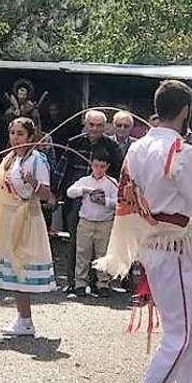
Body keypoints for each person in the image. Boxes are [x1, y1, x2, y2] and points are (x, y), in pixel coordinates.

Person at [96, 80, 192, 383]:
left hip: (155, 243)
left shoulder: (138, 148)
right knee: (181, 333)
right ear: (185, 111)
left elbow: (130, 195)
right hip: (173, 246)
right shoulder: (181, 151)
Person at [0, 117, 56, 336]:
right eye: (12, 133)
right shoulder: (9, 159)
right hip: (9, 217)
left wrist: (32, 182)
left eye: (20, 134)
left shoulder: (37, 160)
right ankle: (23, 318)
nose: (15, 138)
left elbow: (46, 195)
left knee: (21, 267)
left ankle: (26, 320)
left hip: (27, 218)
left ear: (31, 137)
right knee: (14, 270)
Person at [52, 109, 122, 293]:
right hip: (76, 200)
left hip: (103, 203)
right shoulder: (74, 143)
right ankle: (76, 282)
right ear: (85, 124)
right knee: (77, 243)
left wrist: (107, 196)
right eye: (91, 125)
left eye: (99, 125)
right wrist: (55, 193)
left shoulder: (112, 146)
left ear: (105, 127)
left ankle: (100, 283)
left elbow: (120, 173)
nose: (95, 129)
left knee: (101, 246)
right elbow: (61, 169)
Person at [65, 150, 117, 298]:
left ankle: (103, 284)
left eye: (102, 166)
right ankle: (80, 283)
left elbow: (119, 202)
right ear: (91, 165)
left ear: (107, 166)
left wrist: (105, 201)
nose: (98, 169)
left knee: (103, 254)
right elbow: (70, 192)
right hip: (86, 221)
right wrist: (85, 190)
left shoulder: (112, 183)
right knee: (82, 253)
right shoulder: (85, 180)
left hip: (104, 223)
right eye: (96, 166)